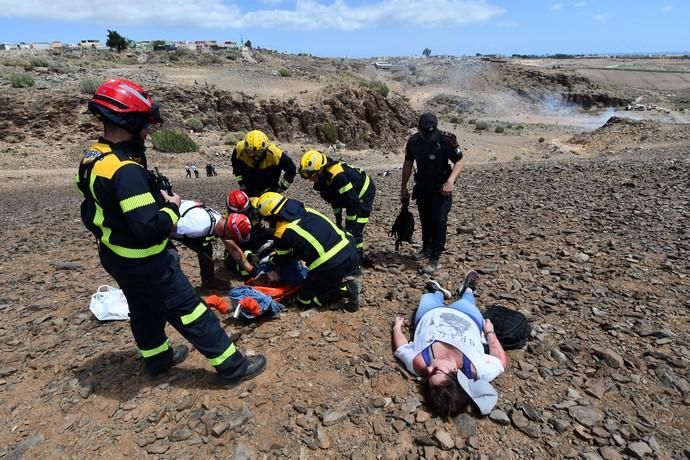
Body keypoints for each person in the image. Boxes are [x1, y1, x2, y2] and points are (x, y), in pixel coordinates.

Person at [76, 78, 265, 387]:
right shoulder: (127, 171)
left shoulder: (94, 158)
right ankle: (232, 366)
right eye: (145, 125)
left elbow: (95, 207)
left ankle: (157, 358)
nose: (148, 132)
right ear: (130, 120)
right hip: (146, 260)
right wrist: (172, 207)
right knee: (190, 310)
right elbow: (150, 229)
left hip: (115, 254)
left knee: (143, 309)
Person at [391, 271, 507, 418]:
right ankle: (467, 290)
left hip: (429, 313)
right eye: (436, 371)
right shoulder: (476, 368)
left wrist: (397, 327)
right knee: (467, 301)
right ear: (455, 373)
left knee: (429, 297)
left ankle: (439, 292)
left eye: (428, 377)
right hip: (467, 316)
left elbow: (401, 347)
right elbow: (501, 361)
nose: (429, 369)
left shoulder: (420, 364)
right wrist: (490, 332)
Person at [256, 192, 361, 311]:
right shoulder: (308, 210)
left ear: (271, 216)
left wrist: (269, 264)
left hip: (333, 264)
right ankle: (347, 274)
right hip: (352, 251)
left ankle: (342, 290)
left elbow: (282, 259)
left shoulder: (282, 232)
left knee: (304, 299)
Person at [400, 113, 465, 274]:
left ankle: (435, 256)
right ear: (418, 128)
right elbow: (408, 164)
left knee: (439, 220)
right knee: (426, 219)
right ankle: (426, 248)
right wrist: (403, 187)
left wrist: (450, 181)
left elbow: (460, 161)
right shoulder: (414, 141)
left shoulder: (447, 139)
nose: (428, 135)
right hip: (423, 187)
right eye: (424, 132)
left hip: (441, 188)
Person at [298, 149, 376, 260]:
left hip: (364, 192)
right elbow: (335, 200)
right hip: (351, 195)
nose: (310, 179)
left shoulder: (337, 175)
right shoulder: (323, 180)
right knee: (344, 230)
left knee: (355, 230)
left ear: (320, 170)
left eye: (312, 176)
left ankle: (357, 260)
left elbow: (352, 203)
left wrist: (349, 226)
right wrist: (338, 222)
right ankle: (349, 253)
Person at [171, 200, 253, 289]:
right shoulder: (200, 227)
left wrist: (251, 270)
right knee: (171, 256)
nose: (234, 240)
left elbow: (233, 249)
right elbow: (168, 224)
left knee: (205, 246)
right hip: (165, 226)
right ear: (230, 234)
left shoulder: (220, 222)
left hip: (183, 220)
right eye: (235, 238)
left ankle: (208, 281)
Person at [223, 189, 275, 278]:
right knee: (232, 261)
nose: (242, 216)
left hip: (259, 234)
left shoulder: (257, 203)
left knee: (279, 234)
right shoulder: (227, 222)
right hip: (242, 244)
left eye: (245, 211)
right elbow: (233, 246)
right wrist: (249, 255)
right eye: (238, 213)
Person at [231, 130, 296, 197]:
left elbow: (291, 169)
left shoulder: (275, 154)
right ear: (245, 149)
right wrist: (241, 183)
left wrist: (282, 187)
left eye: (259, 152)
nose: (255, 156)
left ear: (266, 148)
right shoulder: (239, 150)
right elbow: (236, 167)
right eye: (251, 152)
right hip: (249, 188)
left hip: (271, 189)